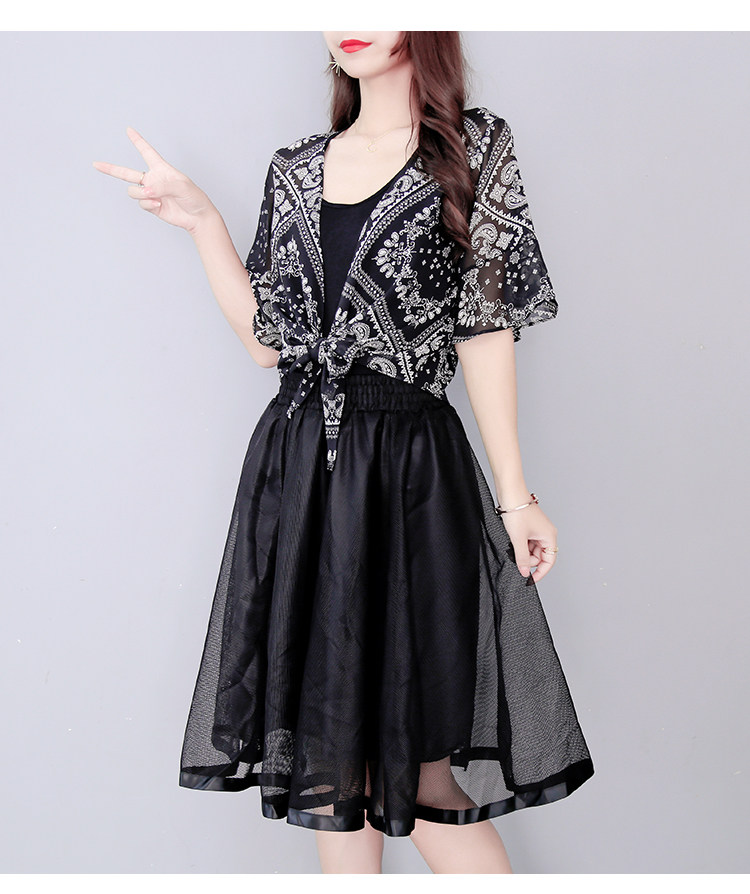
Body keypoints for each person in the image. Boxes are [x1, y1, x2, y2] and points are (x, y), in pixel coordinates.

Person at [93, 31, 594, 875]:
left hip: (409, 479)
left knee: (425, 776)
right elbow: (267, 343)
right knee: (329, 767)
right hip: (299, 476)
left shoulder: (473, 148)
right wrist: (205, 222)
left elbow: (485, 325)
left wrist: (516, 496)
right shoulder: (294, 168)